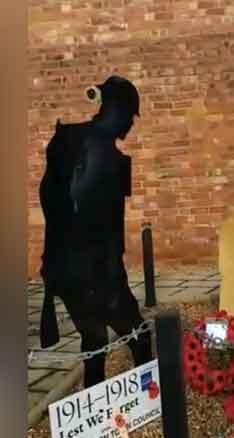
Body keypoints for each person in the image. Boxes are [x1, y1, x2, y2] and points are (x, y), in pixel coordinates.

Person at [38, 75, 152, 388]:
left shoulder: (67, 139)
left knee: (93, 340)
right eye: (129, 116)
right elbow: (99, 217)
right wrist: (112, 272)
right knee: (138, 336)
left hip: (62, 268)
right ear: (115, 111)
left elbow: (50, 198)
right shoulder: (106, 156)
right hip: (93, 270)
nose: (130, 124)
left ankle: (95, 411)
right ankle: (149, 397)